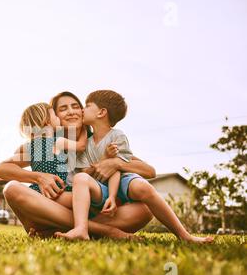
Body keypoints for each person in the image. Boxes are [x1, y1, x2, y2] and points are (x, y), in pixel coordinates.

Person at [55, 90, 213, 244]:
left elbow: (131, 169)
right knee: (80, 179)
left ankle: (184, 234)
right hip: (98, 188)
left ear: (101, 113)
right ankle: (84, 230)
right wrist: (103, 161)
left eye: (86, 106)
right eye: (63, 108)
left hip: (120, 180)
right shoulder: (81, 144)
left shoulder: (116, 137)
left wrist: (113, 188)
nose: (82, 110)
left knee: (142, 187)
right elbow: (87, 173)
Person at [0, 91, 156, 240]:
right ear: (53, 117)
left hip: (95, 211)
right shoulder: (43, 145)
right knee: (11, 189)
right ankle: (102, 231)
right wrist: (38, 177)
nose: (71, 112)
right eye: (63, 109)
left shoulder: (99, 142)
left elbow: (149, 171)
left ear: (83, 112)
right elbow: (2, 168)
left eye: (76, 107)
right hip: (51, 207)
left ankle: (63, 230)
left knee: (144, 210)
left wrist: (115, 162)